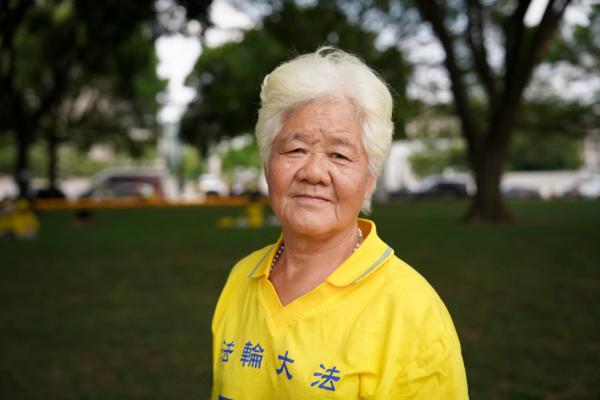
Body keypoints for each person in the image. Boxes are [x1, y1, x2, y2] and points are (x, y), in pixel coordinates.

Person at [211, 47, 468, 399]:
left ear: (369, 180)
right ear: (268, 163)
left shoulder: (412, 312)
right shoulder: (240, 280)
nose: (314, 172)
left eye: (339, 155)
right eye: (295, 149)